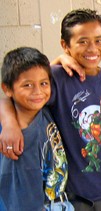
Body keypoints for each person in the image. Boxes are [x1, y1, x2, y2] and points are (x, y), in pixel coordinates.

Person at [0, 9, 101, 210]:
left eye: (99, 40)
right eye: (82, 41)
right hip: (77, 196)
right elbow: (15, 93)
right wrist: (9, 124)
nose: (92, 48)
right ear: (65, 45)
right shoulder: (57, 78)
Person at [0, 47, 68, 210]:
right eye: (27, 85)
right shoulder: (17, 141)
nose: (37, 91)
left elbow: (38, 74)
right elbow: (21, 199)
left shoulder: (41, 111)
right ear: (7, 89)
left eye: (43, 84)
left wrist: (61, 59)